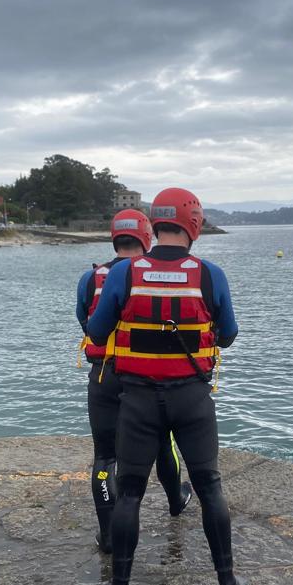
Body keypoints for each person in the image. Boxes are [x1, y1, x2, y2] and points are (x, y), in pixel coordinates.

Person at [86, 187, 246, 585]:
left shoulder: (125, 273)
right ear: (194, 224)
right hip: (192, 400)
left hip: (137, 401)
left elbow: (98, 331)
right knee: (209, 486)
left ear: (154, 224)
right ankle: (228, 584)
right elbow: (227, 336)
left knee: (131, 493)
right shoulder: (210, 274)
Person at [77, 210, 192, 553]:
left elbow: (86, 321)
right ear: (147, 236)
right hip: (141, 376)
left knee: (105, 457)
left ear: (114, 237)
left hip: (102, 375)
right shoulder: (151, 277)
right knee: (162, 442)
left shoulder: (91, 278)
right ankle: (175, 499)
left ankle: (109, 535)